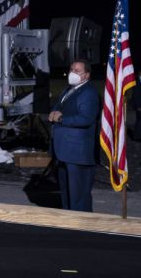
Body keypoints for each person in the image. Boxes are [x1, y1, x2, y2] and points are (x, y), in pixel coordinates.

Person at [48, 60, 101, 212]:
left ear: (87, 75)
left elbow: (86, 119)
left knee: (79, 197)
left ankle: (82, 228)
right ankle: (69, 224)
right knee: (66, 194)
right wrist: (53, 113)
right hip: (64, 152)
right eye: (72, 69)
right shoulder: (68, 90)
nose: (73, 73)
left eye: (77, 71)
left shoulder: (88, 93)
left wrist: (60, 118)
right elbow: (59, 108)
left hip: (78, 154)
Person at [130, 74, 141, 142]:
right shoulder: (137, 83)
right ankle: (137, 137)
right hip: (140, 105)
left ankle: (137, 135)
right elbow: (136, 96)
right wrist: (138, 106)